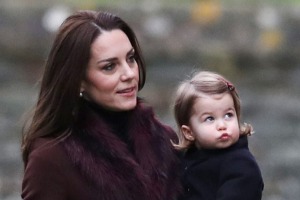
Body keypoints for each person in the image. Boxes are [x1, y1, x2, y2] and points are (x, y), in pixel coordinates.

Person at [21, 10, 181, 200]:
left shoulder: (164, 140)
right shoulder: (52, 158)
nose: (129, 74)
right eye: (109, 66)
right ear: (79, 79)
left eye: (131, 58)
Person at [173, 71, 264, 200]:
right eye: (210, 118)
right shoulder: (188, 158)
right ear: (189, 132)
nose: (222, 125)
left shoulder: (242, 167)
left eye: (228, 115)